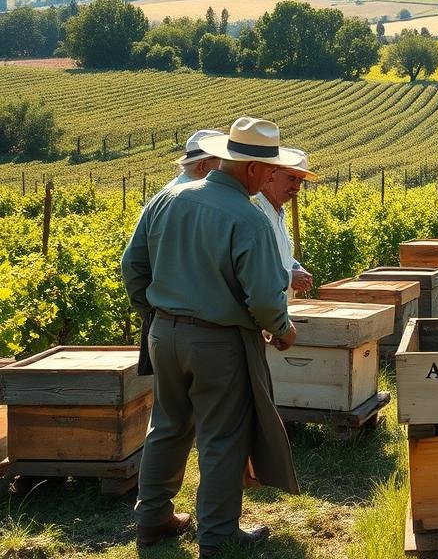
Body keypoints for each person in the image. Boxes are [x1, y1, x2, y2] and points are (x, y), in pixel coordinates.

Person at [122, 116, 303, 557]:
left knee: (167, 426)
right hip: (219, 343)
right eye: (270, 169)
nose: (271, 177)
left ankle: (151, 521)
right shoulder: (250, 218)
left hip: (162, 334)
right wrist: (283, 329)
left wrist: (157, 315)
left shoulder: (168, 199)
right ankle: (218, 534)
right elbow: (263, 297)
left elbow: (133, 266)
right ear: (252, 169)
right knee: (223, 436)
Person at [253, 148, 318, 298]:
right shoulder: (256, 211)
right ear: (271, 174)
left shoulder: (280, 213)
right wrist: (289, 278)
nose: (296, 187)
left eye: (300, 180)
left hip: (277, 309)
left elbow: (281, 255)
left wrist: (296, 267)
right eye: (291, 178)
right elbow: (252, 268)